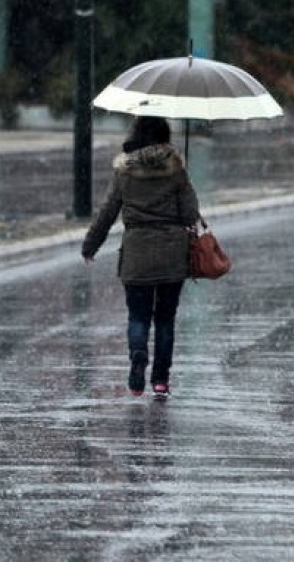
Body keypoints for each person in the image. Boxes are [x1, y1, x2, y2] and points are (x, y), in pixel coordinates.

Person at [81, 116, 200, 398]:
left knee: (138, 317)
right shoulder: (176, 170)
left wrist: (90, 246)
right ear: (165, 137)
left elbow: (107, 213)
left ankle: (137, 356)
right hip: (172, 253)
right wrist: (183, 180)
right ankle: (160, 380)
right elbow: (190, 214)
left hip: (137, 253)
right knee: (165, 319)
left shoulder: (125, 172)